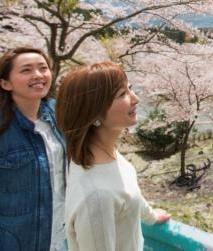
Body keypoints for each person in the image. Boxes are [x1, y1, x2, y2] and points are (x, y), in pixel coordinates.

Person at [0, 47, 67, 251]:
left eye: (43, 68)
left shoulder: (58, 116)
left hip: (61, 241)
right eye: (26, 70)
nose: (38, 75)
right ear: (6, 83)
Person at [56, 61, 170, 251]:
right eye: (122, 94)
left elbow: (128, 193)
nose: (135, 99)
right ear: (93, 114)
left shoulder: (106, 155)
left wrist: (151, 216)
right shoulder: (97, 196)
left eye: (130, 88)